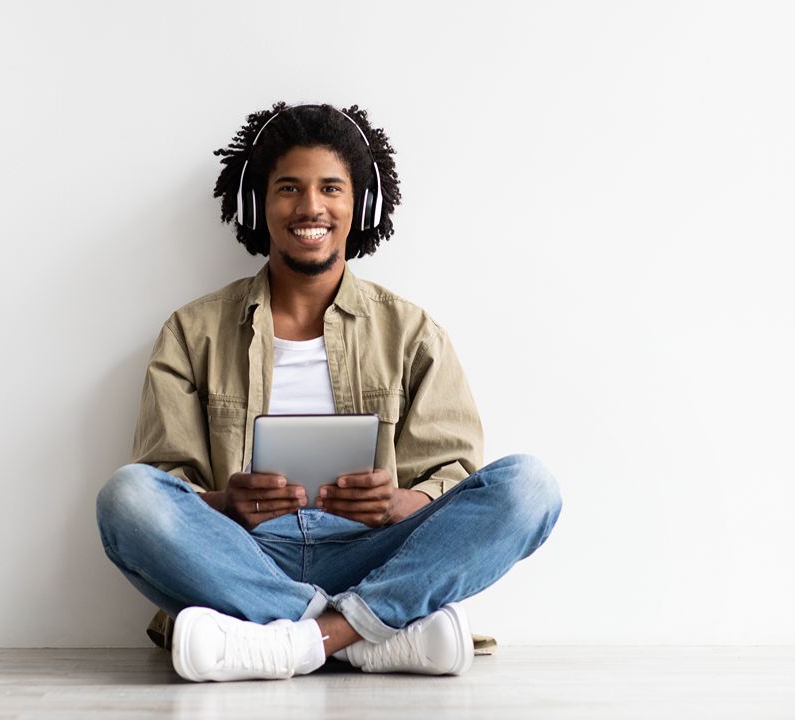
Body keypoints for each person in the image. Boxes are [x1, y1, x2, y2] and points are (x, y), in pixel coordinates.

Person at [95, 102, 562, 683]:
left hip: (378, 555)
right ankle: (366, 635)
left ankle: (293, 640)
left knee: (530, 486)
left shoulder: (413, 333)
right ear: (258, 205)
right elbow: (165, 487)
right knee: (125, 497)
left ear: (360, 205)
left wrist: (395, 505)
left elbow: (454, 480)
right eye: (289, 188)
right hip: (244, 556)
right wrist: (225, 504)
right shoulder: (192, 332)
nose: (310, 207)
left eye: (331, 188)